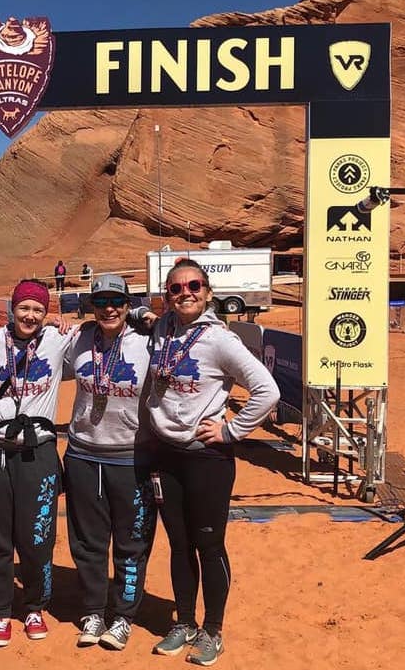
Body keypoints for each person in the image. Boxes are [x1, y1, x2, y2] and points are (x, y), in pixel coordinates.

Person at [144, 258, 279, 665]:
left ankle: (212, 629)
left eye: (194, 286)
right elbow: (136, 313)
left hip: (207, 459)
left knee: (208, 544)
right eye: (176, 288)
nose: (185, 293)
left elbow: (267, 390)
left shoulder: (221, 340)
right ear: (166, 295)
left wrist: (230, 431)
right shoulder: (162, 329)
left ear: (207, 292)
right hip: (165, 455)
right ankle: (183, 622)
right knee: (179, 543)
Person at [0, 279, 77, 648]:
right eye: (24, 308)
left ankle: (34, 606)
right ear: (11, 310)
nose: (30, 315)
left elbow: (105, 327)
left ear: (46, 314)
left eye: (37, 309)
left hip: (38, 449)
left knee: (37, 537)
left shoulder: (59, 339)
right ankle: (1, 612)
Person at [62, 274, 156, 651]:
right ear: (92, 306)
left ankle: (123, 616)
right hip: (83, 453)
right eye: (101, 302)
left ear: (128, 305)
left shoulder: (149, 341)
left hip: (131, 456)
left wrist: (151, 316)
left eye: (117, 302)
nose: (110, 309)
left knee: (132, 542)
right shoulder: (81, 339)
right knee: (87, 541)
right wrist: (56, 324)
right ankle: (93, 611)